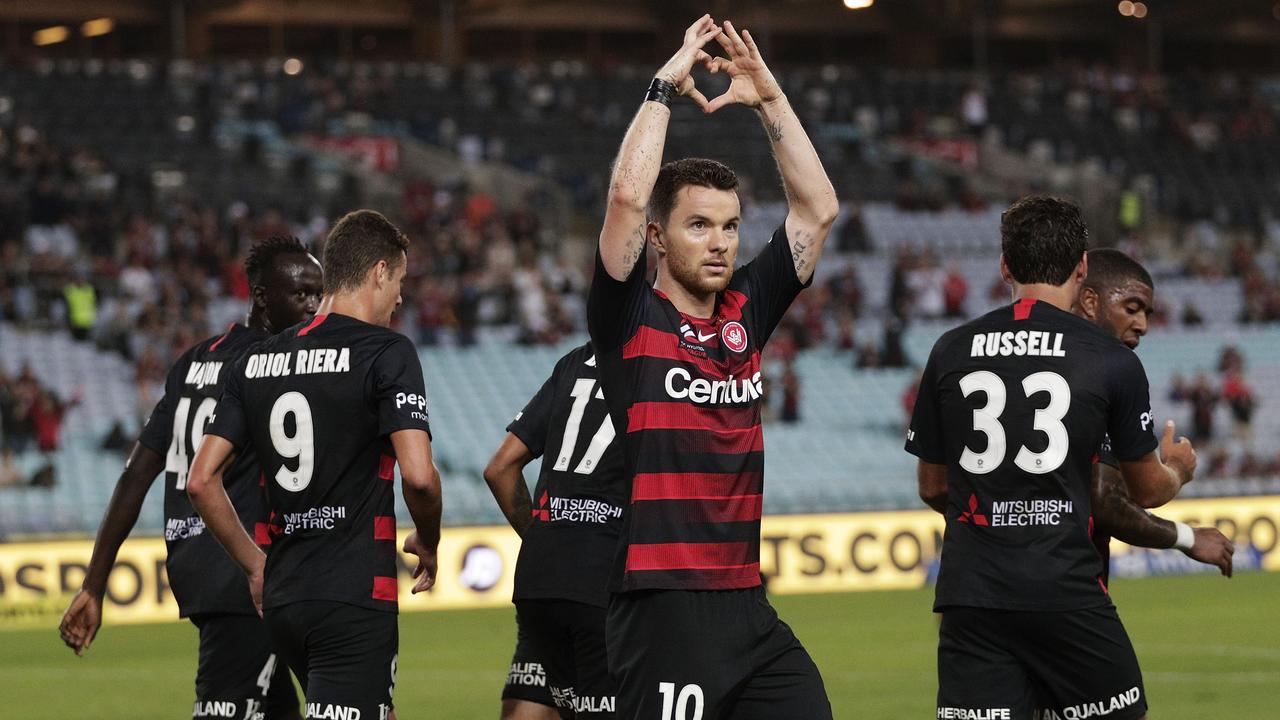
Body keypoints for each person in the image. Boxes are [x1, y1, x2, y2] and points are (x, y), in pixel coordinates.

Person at [588, 16, 839, 719]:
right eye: (700, 226)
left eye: (730, 226)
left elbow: (816, 210)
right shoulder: (629, 319)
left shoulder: (745, 312)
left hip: (747, 606)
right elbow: (626, 197)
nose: (722, 242)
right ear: (658, 241)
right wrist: (664, 87)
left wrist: (769, 100)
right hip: (662, 607)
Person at [906, 196, 1197, 720]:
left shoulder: (950, 349)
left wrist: (997, 508)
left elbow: (931, 486)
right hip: (1063, 589)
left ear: (1005, 267)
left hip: (972, 595)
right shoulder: (1111, 359)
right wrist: (1178, 465)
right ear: (1082, 268)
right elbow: (1149, 489)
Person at [187, 210, 443, 720]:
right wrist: (429, 539)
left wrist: (255, 566)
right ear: (378, 272)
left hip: (283, 597)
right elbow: (418, 475)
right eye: (400, 281)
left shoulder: (254, 361)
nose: (400, 297)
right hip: (351, 595)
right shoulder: (386, 352)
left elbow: (200, 481)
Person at [59, 236, 323, 720]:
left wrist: (95, 585)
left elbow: (137, 473)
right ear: (262, 296)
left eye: (318, 294)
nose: (313, 307)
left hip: (197, 565)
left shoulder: (195, 360)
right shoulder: (271, 365)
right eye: (302, 293)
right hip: (248, 573)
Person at [484, 342, 627, 719]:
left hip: (538, 578)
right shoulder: (668, 364)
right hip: (605, 581)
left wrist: (544, 537)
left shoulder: (573, 363)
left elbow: (499, 468)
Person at [1075, 248, 1234, 584]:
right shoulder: (1108, 368)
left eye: (1147, 313)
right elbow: (1107, 501)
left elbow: (939, 487)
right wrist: (1177, 469)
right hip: (1067, 591)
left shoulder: (992, 357)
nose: (1143, 325)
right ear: (1090, 302)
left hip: (980, 583)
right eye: (1131, 309)